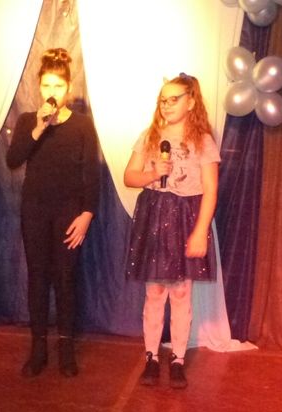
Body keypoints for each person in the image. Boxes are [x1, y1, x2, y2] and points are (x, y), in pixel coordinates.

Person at [6, 48, 100, 378]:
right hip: (34, 209)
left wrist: (87, 214)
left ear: (69, 87)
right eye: (46, 85)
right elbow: (13, 160)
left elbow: (91, 174)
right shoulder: (27, 121)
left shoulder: (82, 125)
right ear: (38, 87)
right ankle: (38, 349)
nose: (52, 92)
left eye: (58, 86)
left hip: (69, 212)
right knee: (37, 277)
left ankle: (66, 349)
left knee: (65, 278)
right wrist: (38, 128)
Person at [124, 73, 220, 388]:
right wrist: (152, 173)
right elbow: (129, 176)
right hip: (154, 216)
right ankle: (151, 356)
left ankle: (177, 358)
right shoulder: (150, 136)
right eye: (163, 100)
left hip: (184, 219)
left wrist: (200, 231)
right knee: (154, 292)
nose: (167, 105)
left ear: (191, 102)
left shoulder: (202, 141)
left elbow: (210, 190)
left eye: (174, 99)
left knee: (180, 292)